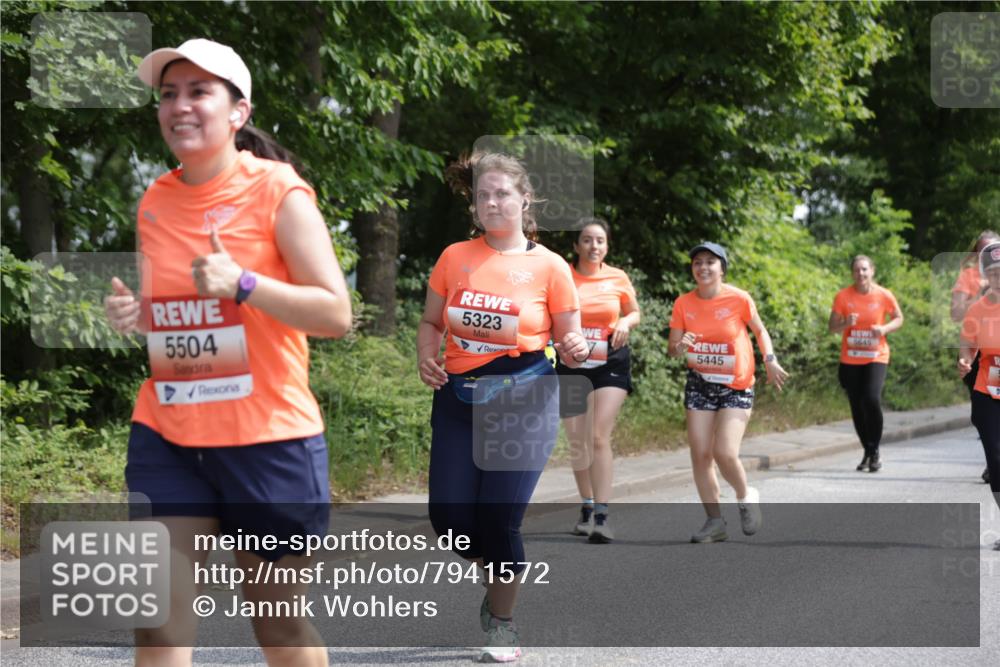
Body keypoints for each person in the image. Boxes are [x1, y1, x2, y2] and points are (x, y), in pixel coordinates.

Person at [104, 39, 351, 667]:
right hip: (169, 434)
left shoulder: (279, 193)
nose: (179, 106)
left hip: (267, 440)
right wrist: (138, 316)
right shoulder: (155, 200)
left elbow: (335, 314)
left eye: (198, 92)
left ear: (238, 112)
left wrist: (245, 283)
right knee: (157, 623)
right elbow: (182, 313)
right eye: (168, 95)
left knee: (278, 627)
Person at [417, 152, 587, 662]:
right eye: (483, 195)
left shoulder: (550, 266)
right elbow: (431, 322)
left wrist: (576, 347)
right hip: (459, 398)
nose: (492, 202)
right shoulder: (454, 257)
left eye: (502, 193)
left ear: (524, 199)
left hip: (526, 397)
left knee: (500, 519)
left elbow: (571, 337)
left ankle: (503, 622)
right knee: (448, 519)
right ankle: (498, 577)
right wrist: (426, 356)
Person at [667, 242, 788, 543]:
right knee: (700, 454)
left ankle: (746, 496)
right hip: (700, 383)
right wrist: (681, 346)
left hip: (736, 385)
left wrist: (770, 360)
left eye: (710, 262)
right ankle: (714, 522)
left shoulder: (738, 298)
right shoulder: (683, 303)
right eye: (697, 262)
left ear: (722, 268)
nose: (703, 267)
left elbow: (759, 330)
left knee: (724, 452)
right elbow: (672, 350)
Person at [555, 218, 640, 543]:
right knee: (578, 440)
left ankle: (602, 517)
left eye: (600, 240)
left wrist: (625, 323)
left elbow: (634, 312)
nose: (594, 246)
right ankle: (587, 506)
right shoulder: (563, 275)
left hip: (609, 362)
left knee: (598, 436)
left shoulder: (617, 277)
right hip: (571, 364)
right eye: (588, 240)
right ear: (576, 246)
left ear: (607, 246)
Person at [828, 255, 904, 472]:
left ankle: (875, 449)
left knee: (871, 399)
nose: (860, 274)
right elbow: (831, 328)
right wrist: (845, 323)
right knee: (856, 405)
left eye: (864, 269)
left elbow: (899, 318)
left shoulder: (883, 295)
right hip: (850, 358)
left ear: (872, 271)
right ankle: (868, 451)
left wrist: (884, 329)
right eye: (856, 270)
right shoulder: (843, 296)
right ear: (852, 273)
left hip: (876, 356)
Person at [958, 241, 1000, 550]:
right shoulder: (977, 310)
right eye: (994, 273)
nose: (998, 278)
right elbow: (967, 348)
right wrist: (964, 362)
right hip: (988, 391)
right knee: (996, 462)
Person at [952, 231, 1000, 485]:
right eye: (993, 273)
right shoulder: (971, 286)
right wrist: (965, 359)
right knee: (993, 447)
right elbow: (958, 320)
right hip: (985, 372)